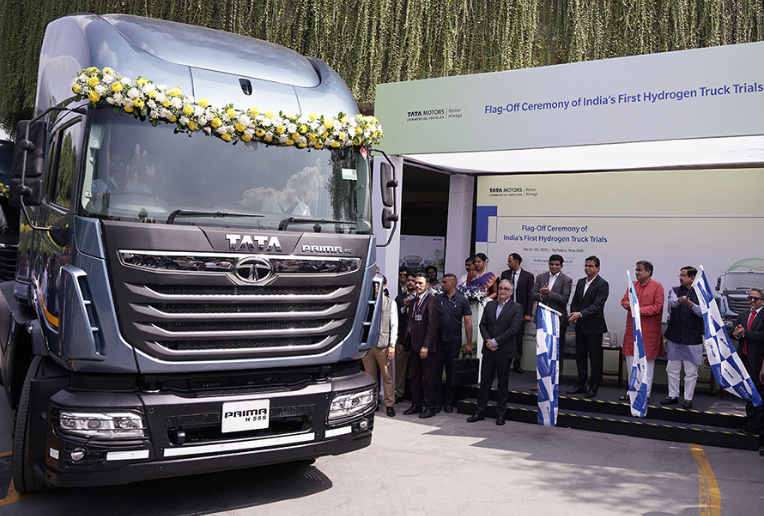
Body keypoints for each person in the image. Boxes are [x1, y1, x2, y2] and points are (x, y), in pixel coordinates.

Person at [467, 279, 523, 425]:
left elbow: (514, 329)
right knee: (485, 382)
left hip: (504, 352)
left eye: (506, 289)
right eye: (500, 288)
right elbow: (483, 324)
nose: (502, 291)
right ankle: (479, 412)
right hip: (489, 351)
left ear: (511, 292)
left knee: (502, 384)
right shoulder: (490, 305)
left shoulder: (517, 307)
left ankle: (500, 414)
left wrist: (496, 341)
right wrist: (488, 341)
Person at [619, 260, 664, 403]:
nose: (637, 272)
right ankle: (631, 391)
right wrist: (629, 305)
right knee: (631, 362)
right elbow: (624, 301)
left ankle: (645, 393)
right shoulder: (632, 285)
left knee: (647, 364)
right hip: (632, 330)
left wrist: (638, 310)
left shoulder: (657, 287)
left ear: (648, 271)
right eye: (636, 270)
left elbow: (657, 307)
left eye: (639, 270)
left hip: (649, 331)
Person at [567, 256, 609, 399]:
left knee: (594, 359)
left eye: (590, 266)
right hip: (580, 325)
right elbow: (575, 301)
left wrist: (580, 314)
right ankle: (580, 384)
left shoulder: (603, 284)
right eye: (586, 265)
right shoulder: (580, 282)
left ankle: (593, 387)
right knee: (580, 357)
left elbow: (597, 305)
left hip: (594, 326)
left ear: (597, 268)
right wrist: (574, 313)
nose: (587, 268)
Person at [661, 266, 703, 409]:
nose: (680, 277)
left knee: (691, 371)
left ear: (692, 278)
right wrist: (680, 300)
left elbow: (703, 313)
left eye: (683, 275)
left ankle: (688, 398)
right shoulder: (675, 290)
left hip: (692, 337)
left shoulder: (701, 293)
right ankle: (672, 395)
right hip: (675, 336)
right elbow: (671, 304)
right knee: (672, 368)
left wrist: (690, 304)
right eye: (680, 275)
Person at [403, 272, 441, 419]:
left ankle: (430, 406)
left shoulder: (432, 301)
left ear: (427, 285)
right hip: (413, 345)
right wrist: (404, 343)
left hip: (426, 348)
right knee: (415, 377)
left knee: (429, 378)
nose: (417, 285)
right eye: (416, 283)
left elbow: (432, 326)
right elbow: (410, 323)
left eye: (420, 283)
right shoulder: (413, 301)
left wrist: (426, 345)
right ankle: (416, 404)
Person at [531, 254, 573, 381]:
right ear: (548, 264)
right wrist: (542, 296)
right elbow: (533, 295)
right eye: (552, 264)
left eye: (557, 264)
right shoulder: (540, 277)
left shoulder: (567, 280)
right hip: (542, 319)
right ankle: (541, 380)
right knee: (542, 351)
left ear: (561, 266)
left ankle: (556, 380)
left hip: (558, 321)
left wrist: (550, 293)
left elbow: (564, 299)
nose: (554, 267)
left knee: (556, 352)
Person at [436, 273, 473, 413]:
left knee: (451, 373)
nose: (442, 284)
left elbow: (468, 323)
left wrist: (468, 343)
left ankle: (448, 402)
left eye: (445, 282)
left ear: (453, 284)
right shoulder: (437, 298)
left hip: (453, 342)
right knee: (437, 372)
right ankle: (437, 401)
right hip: (438, 341)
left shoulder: (463, 300)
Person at [363, 277, 398, 417]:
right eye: (374, 285)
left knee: (387, 376)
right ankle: (373, 402)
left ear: (384, 286)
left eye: (379, 285)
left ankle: (389, 404)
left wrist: (392, 345)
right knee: (370, 377)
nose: (376, 288)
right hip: (368, 345)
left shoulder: (391, 303)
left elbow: (394, 325)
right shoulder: (366, 302)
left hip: (383, 345)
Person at [732, 287, 764, 435]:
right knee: (749, 392)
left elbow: (761, 336)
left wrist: (746, 333)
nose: (751, 301)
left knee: (758, 393)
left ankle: (758, 424)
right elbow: (735, 334)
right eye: (750, 298)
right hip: (744, 359)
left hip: (758, 361)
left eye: (755, 298)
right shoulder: (743, 315)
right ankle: (750, 421)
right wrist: (738, 334)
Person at [500, 252, 534, 373]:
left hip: (520, 311)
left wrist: (528, 313)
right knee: (504, 337)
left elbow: (530, 296)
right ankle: (504, 363)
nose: (508, 263)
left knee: (518, 339)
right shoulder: (505, 274)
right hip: (505, 310)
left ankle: (517, 363)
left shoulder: (528, 276)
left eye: (510, 261)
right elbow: (501, 292)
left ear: (517, 262)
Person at [394, 272, 417, 403]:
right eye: (408, 280)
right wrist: (405, 307)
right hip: (402, 336)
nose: (410, 283)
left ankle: (416, 395)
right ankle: (399, 393)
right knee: (400, 366)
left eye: (413, 280)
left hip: (416, 338)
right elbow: (396, 315)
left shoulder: (421, 298)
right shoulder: (400, 297)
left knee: (416, 367)